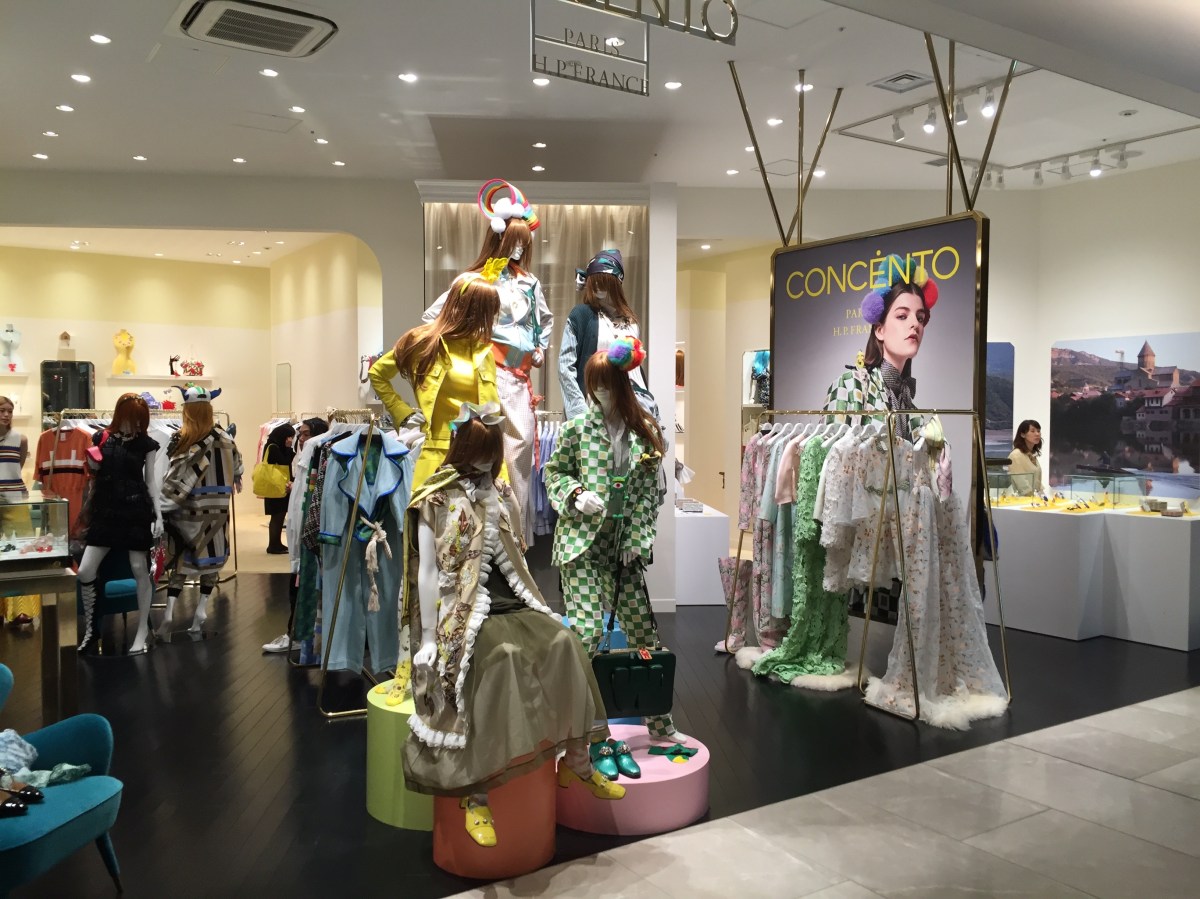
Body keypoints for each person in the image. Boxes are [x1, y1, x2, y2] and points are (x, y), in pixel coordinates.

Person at [395, 403, 623, 847]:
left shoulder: (501, 490)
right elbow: (425, 570)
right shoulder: (435, 496)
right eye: (478, 454)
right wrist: (426, 636)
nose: (485, 464)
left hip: (513, 600)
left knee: (566, 642)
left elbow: (515, 552)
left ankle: (578, 762)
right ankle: (475, 795)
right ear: (462, 448)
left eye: (491, 455)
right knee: (497, 662)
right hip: (463, 608)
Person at [544, 339, 690, 745]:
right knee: (587, 632)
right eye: (595, 384)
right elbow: (553, 474)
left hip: (624, 551)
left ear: (623, 384)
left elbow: (649, 496)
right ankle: (580, 730)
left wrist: (638, 538)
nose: (600, 391)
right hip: (582, 547)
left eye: (608, 383)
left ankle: (660, 723)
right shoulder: (575, 430)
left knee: (644, 635)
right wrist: (576, 494)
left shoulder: (645, 432)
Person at [421, 180, 551, 543]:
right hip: (479, 378)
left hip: (516, 380)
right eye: (514, 241)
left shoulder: (530, 283)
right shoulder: (475, 280)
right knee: (476, 458)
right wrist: (463, 345)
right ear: (498, 239)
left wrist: (539, 347)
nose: (520, 248)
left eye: (524, 242)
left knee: (517, 457)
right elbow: (433, 318)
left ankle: (514, 543)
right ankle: (469, 540)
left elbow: (543, 321)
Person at [369, 273, 504, 490]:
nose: (490, 320)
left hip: (482, 459)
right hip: (438, 453)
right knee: (431, 511)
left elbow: (492, 413)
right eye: (487, 311)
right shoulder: (424, 342)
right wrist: (402, 412)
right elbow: (377, 373)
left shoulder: (484, 354)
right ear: (470, 309)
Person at [76, 393, 162, 655]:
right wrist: (93, 465)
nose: (135, 424)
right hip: (105, 511)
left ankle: (142, 630)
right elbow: (94, 476)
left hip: (135, 510)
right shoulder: (101, 438)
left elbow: (150, 481)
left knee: (139, 568)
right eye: (131, 418)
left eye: (139, 419)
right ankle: (92, 629)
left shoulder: (146, 444)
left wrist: (158, 515)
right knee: (85, 570)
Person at [157, 386, 242, 639]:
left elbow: (174, 481)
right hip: (217, 512)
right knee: (211, 558)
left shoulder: (185, 441)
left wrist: (159, 506)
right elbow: (238, 468)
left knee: (182, 561)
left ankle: (169, 612)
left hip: (188, 512)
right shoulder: (226, 439)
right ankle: (201, 611)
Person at [823, 253, 938, 435]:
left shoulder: (910, 408)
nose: (915, 324)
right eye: (902, 316)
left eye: (920, 318)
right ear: (879, 330)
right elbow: (827, 450)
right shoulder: (850, 385)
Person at [559, 249, 658, 422]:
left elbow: (635, 369)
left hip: (630, 403)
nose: (598, 286)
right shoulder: (581, 315)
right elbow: (565, 366)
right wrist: (578, 410)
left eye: (604, 281)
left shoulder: (630, 321)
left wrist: (646, 404)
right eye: (594, 281)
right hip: (592, 403)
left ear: (616, 283)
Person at [263, 417, 329, 653]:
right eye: (300, 433)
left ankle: (299, 637)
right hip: (301, 535)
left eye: (306, 433)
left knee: (304, 588)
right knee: (299, 587)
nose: (301, 438)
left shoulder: (319, 454)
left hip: (310, 538)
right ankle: (298, 636)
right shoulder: (305, 456)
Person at [0, 395, 38, 629]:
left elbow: (17, 467)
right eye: (2, 410)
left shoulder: (20, 439)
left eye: (9, 411)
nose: (6, 415)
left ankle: (22, 610)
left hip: (15, 500)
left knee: (22, 553)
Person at [261, 423, 295, 554]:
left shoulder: (272, 445)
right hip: (276, 487)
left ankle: (276, 543)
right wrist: (289, 449)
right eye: (289, 437)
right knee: (277, 516)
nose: (290, 440)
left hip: (275, 486)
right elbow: (284, 462)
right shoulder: (274, 447)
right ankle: (273, 545)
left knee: (278, 516)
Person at [1007, 419, 1044, 496]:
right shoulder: (1016, 455)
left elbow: (1037, 481)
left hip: (1034, 499)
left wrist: (1043, 497)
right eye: (1032, 431)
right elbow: (1021, 483)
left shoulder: (1031, 454)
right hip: (1022, 499)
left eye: (1038, 431)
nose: (1037, 434)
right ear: (1023, 434)